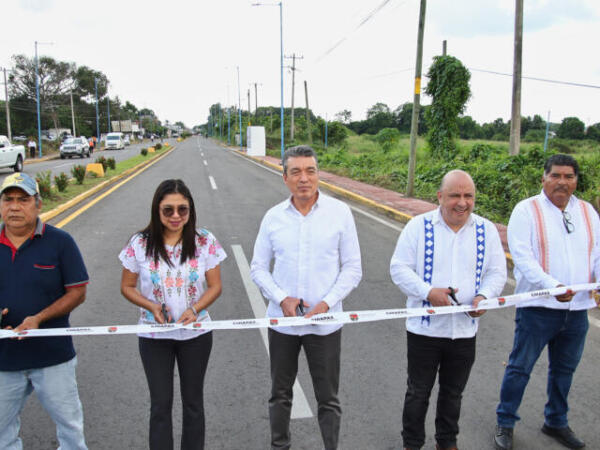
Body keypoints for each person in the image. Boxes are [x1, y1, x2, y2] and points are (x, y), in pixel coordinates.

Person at [250, 145, 362, 450]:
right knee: (280, 393)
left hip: (325, 324)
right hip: (283, 323)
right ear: (284, 177)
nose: (304, 178)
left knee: (328, 398)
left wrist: (326, 304)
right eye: (296, 171)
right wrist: (282, 298)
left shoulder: (340, 214)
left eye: (310, 171)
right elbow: (258, 267)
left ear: (318, 175)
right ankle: (279, 445)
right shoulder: (273, 218)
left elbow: (353, 268)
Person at [390, 169, 507, 450]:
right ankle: (412, 443)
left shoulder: (485, 229)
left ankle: (447, 441)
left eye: (469, 196)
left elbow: (496, 273)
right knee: (418, 392)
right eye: (455, 195)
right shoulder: (418, 226)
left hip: (465, 332)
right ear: (440, 196)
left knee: (453, 393)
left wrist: (484, 296)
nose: (462, 202)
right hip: (424, 330)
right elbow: (399, 268)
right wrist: (428, 292)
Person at [494, 154, 600, 450]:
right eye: (556, 176)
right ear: (544, 178)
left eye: (569, 177)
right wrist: (551, 286)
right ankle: (505, 422)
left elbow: (597, 254)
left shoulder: (588, 212)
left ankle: (556, 421)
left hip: (576, 310)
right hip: (538, 309)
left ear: (576, 181)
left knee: (564, 370)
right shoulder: (526, 210)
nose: (562, 182)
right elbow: (524, 260)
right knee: (520, 367)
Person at [119, 179, 226, 450]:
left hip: (196, 334)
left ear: (191, 211)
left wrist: (195, 309)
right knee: (160, 404)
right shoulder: (139, 243)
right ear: (157, 210)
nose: (176, 216)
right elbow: (126, 286)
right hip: (154, 335)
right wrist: (151, 306)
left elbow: (215, 286)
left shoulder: (204, 241)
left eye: (183, 210)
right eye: (168, 210)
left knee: (193, 403)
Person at [0, 172, 89, 449]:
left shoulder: (60, 242)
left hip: (53, 356)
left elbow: (78, 292)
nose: (15, 206)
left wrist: (38, 318)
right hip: (4, 361)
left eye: (23, 200)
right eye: (8, 199)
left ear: (38, 204)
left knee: (70, 429)